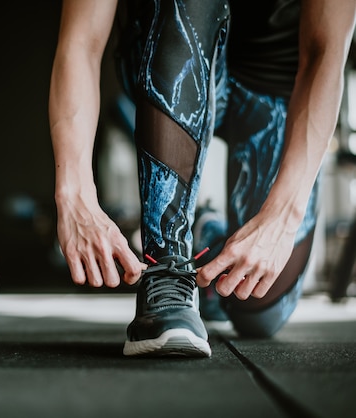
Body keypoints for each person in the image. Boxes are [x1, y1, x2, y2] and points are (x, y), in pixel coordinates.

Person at [49, 0, 356, 357]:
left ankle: (208, 237)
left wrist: (281, 220)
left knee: (260, 311)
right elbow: (80, 42)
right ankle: (167, 266)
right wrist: (73, 195)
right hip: (169, 50)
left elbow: (325, 53)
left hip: (278, 90)